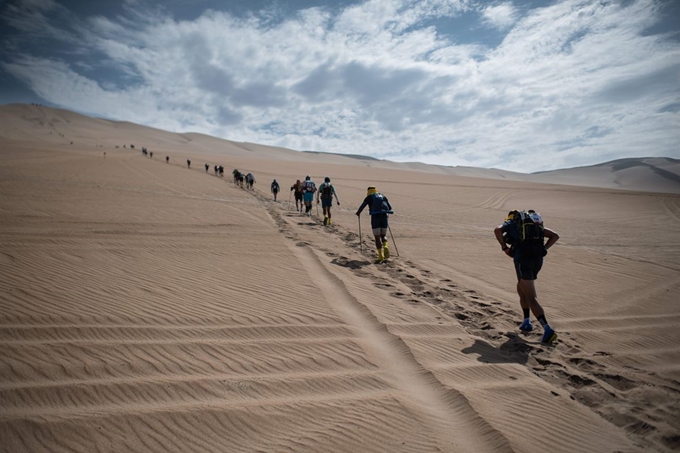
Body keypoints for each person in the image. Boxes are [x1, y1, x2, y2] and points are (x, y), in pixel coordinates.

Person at [494, 210, 560, 343]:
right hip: (537, 260)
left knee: (531, 297)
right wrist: (544, 248)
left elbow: (497, 230)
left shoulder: (511, 222)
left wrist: (504, 247)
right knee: (521, 287)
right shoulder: (535, 224)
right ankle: (526, 322)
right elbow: (555, 236)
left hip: (522, 260)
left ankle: (547, 329)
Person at [356, 186, 393, 262]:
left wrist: (358, 213)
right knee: (383, 235)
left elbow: (362, 206)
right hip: (384, 217)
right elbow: (390, 207)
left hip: (375, 218)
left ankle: (380, 256)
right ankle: (385, 246)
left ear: (368, 191)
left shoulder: (369, 197)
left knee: (377, 237)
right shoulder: (382, 195)